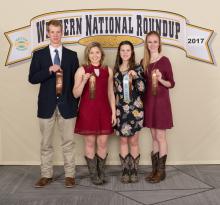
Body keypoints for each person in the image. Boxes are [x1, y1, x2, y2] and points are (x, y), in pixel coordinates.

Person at [29, 20, 79, 188]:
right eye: (52, 32)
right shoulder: (39, 55)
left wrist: (74, 102)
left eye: (58, 32)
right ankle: (46, 175)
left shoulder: (72, 56)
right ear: (47, 34)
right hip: (46, 105)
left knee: (68, 142)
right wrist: (48, 70)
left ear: (62, 33)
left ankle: (70, 175)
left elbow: (75, 83)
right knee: (46, 143)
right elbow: (32, 78)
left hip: (67, 106)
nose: (56, 35)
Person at [73, 42, 116, 185]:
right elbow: (75, 93)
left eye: (97, 52)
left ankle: (101, 171)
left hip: (104, 110)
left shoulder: (108, 70)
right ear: (87, 54)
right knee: (90, 142)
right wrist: (84, 81)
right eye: (91, 52)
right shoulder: (81, 70)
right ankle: (93, 174)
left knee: (102, 142)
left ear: (101, 54)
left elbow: (111, 93)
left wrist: (113, 113)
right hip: (88, 111)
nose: (94, 55)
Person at [142, 31, 175, 183]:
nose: (152, 44)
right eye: (150, 42)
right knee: (154, 137)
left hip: (161, 103)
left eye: (155, 41)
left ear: (159, 43)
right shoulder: (144, 61)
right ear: (146, 44)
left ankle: (161, 172)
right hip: (149, 103)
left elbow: (171, 84)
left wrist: (161, 79)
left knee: (161, 137)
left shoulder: (165, 61)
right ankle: (154, 170)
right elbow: (143, 86)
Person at [114, 41, 145, 183]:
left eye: (128, 50)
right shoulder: (115, 70)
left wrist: (136, 76)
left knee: (133, 141)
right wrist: (113, 111)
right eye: (122, 50)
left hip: (135, 110)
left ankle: (134, 170)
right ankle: (125, 170)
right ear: (119, 52)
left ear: (132, 52)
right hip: (120, 110)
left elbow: (143, 89)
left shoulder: (137, 68)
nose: (125, 53)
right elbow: (114, 92)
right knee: (123, 140)